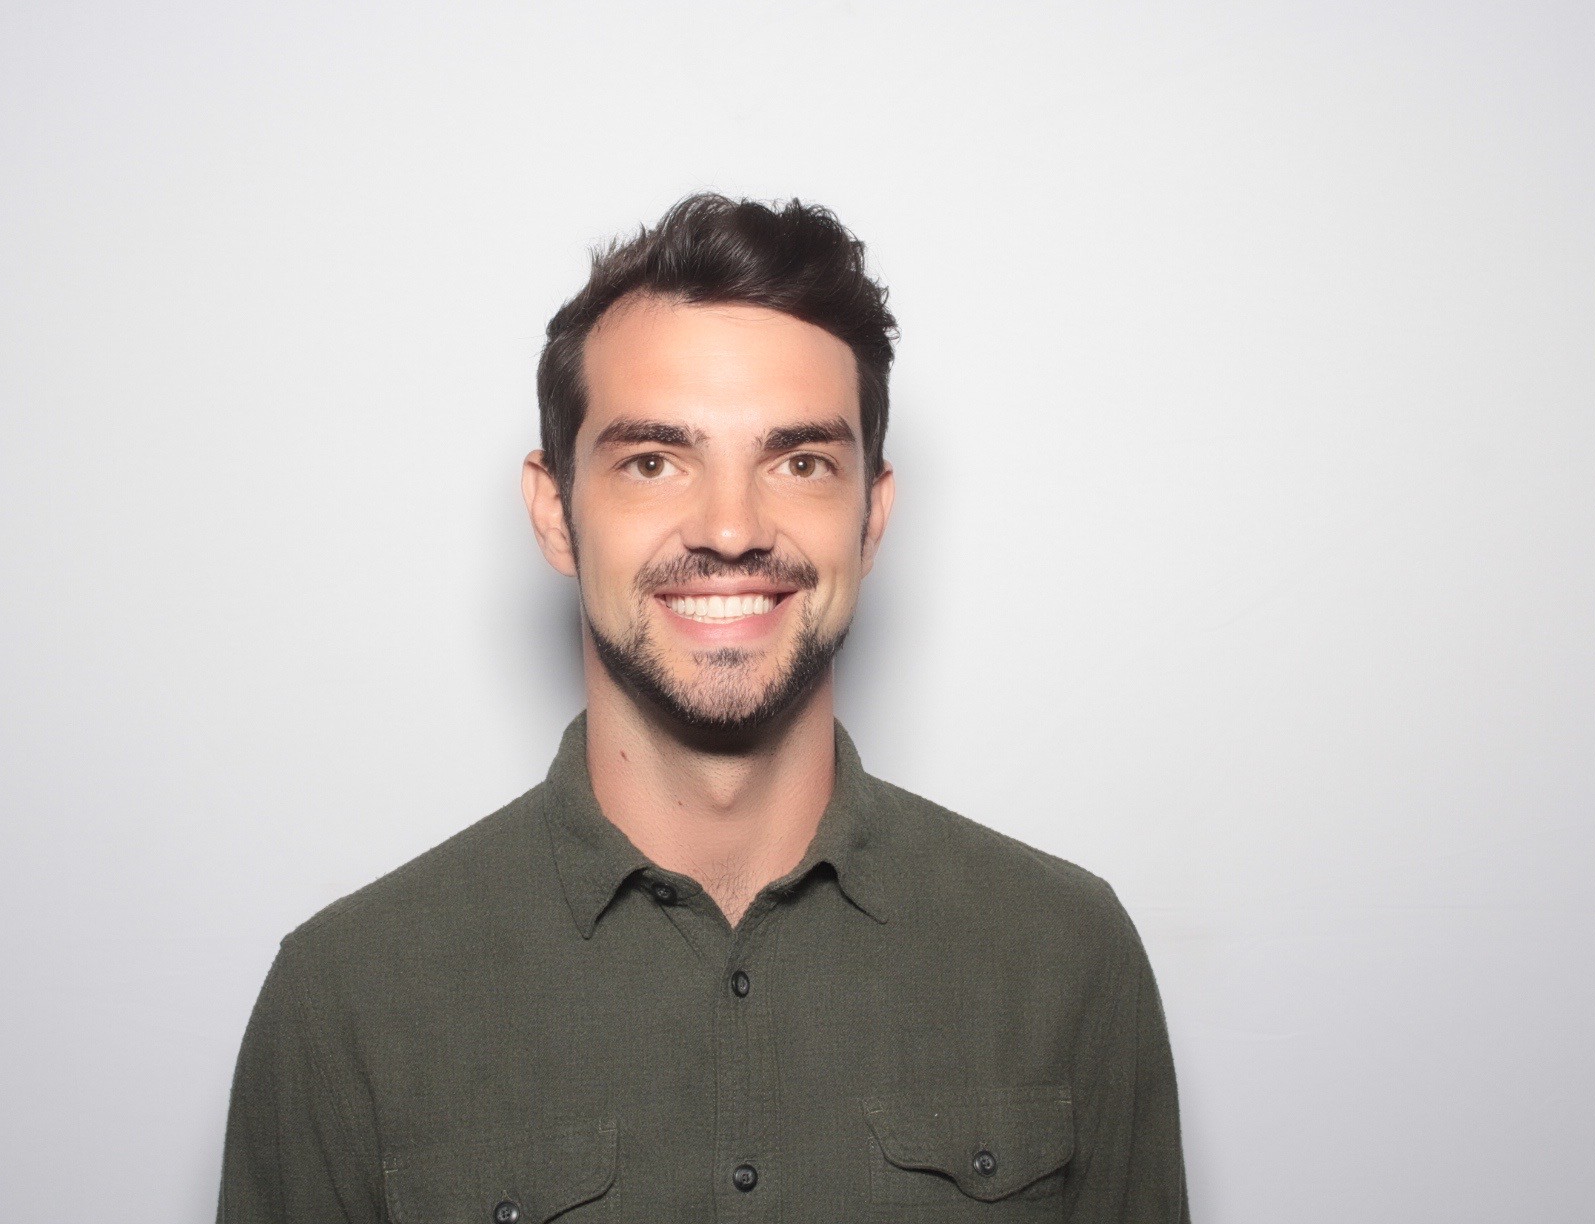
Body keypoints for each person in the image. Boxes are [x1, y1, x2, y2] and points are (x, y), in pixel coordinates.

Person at [217, 194, 1190, 1222]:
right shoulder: (346, 999)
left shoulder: (1066, 955)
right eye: (653, 462)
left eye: (800, 462)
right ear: (555, 512)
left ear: (872, 517)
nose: (731, 528)